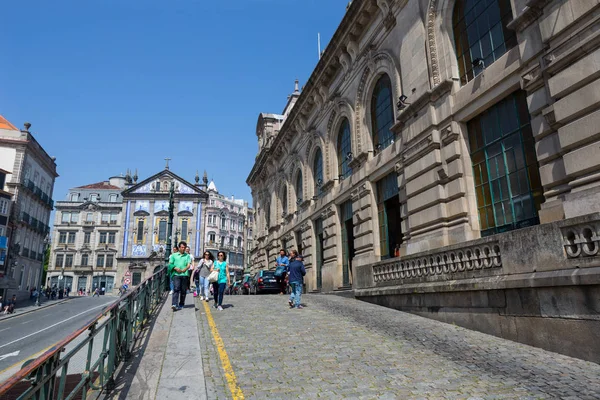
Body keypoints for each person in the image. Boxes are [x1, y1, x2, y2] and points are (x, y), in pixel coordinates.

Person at [169, 241, 192, 311]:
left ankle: (181, 303)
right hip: (176, 274)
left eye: (184, 247)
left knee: (183, 290)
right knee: (176, 288)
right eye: (182, 247)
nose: (183, 249)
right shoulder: (174, 255)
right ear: (179, 248)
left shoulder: (187, 256)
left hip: (184, 274)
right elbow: (170, 264)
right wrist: (176, 268)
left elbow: (189, 264)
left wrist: (184, 269)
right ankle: (174, 304)